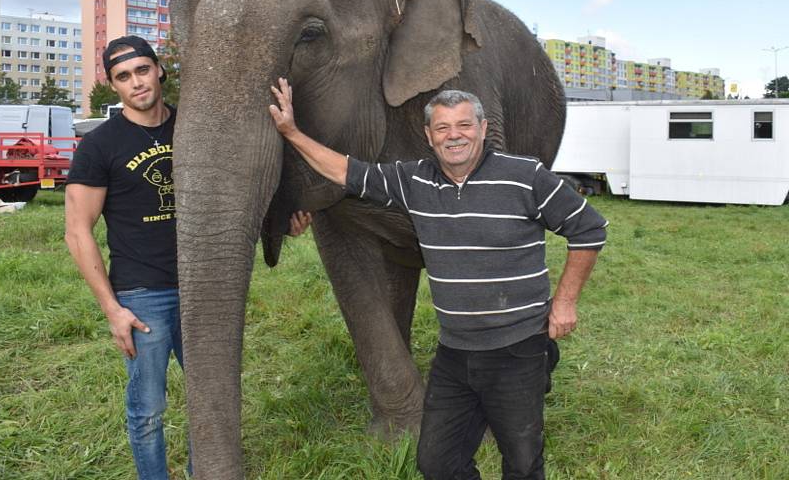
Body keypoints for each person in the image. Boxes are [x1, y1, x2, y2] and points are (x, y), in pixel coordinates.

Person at [269, 77, 607, 480]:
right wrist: (291, 132)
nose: (454, 136)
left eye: (464, 125)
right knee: (437, 462)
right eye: (443, 128)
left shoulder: (524, 176)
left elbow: (589, 228)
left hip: (518, 348)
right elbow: (346, 171)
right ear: (428, 136)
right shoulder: (415, 182)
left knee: (521, 461)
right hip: (455, 353)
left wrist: (565, 302)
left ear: (483, 128)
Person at [64, 37, 310, 480]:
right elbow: (77, 231)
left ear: (159, 70)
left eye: (142, 70)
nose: (136, 82)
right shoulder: (100, 145)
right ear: (113, 85)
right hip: (143, 296)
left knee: (209, 398)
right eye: (124, 76)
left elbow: (237, 188)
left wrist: (280, 221)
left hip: (205, 287)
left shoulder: (196, 127)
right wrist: (112, 309)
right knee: (148, 407)